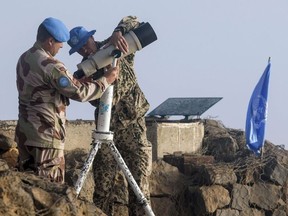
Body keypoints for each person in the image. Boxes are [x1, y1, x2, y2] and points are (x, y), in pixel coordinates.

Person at [15, 17, 119, 184]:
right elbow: (81, 93)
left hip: (25, 135)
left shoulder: (24, 58)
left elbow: (44, 89)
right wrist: (107, 79)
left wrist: (78, 82)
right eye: (59, 43)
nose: (62, 46)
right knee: (50, 193)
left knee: (26, 190)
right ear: (50, 41)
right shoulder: (51, 65)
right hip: (46, 138)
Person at [68, 16, 152, 215]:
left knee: (138, 183)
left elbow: (134, 20)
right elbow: (93, 99)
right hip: (107, 126)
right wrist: (91, 82)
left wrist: (119, 31)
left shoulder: (115, 46)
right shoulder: (86, 69)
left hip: (132, 124)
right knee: (103, 186)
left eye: (85, 45)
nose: (84, 50)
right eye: (79, 49)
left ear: (91, 38)